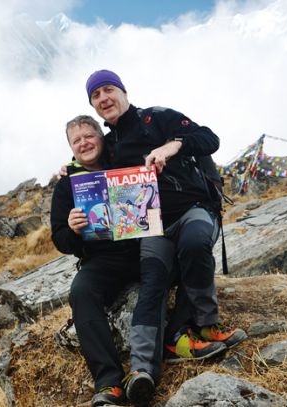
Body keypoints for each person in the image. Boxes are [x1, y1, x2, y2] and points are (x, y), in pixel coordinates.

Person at [85, 69, 247, 404]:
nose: (104, 98)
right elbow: (88, 169)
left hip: (193, 208)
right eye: (96, 95)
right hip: (151, 224)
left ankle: (205, 325)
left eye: (108, 89)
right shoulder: (109, 145)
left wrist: (172, 146)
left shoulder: (158, 118)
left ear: (123, 92)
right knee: (152, 279)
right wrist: (67, 170)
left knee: (195, 242)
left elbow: (209, 139)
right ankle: (144, 370)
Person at [50, 115, 139, 406]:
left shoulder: (124, 160)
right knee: (81, 292)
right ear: (71, 149)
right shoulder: (66, 185)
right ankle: (109, 382)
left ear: (101, 137)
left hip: (142, 250)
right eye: (76, 140)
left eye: (89, 136)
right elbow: (60, 239)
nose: (84, 143)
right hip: (102, 261)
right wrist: (74, 230)